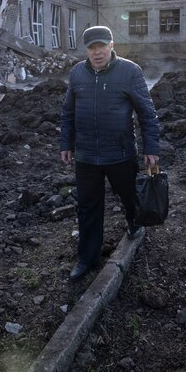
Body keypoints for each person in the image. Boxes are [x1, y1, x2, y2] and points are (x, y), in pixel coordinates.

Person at [60, 25, 160, 282]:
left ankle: (134, 222)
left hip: (120, 153)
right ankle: (87, 258)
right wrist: (66, 143)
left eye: (102, 46)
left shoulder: (130, 72)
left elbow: (147, 113)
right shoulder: (77, 73)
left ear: (111, 46)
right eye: (92, 48)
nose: (97, 52)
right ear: (86, 50)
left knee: (129, 195)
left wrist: (151, 147)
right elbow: (68, 112)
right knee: (88, 207)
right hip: (86, 155)